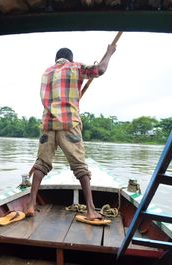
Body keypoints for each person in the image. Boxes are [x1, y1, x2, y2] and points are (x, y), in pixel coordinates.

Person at [26, 45, 116, 222]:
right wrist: (109, 52)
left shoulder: (46, 72)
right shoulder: (75, 67)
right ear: (71, 59)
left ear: (56, 59)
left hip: (48, 124)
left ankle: (30, 204)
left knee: (41, 164)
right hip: (69, 123)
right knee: (80, 166)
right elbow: (100, 70)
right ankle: (90, 210)